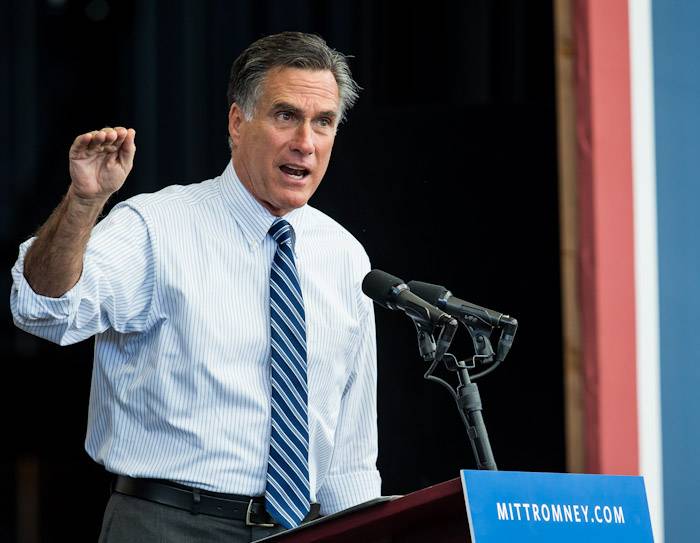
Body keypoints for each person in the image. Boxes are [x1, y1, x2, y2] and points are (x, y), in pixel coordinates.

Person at [10, 31, 380, 542]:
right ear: (237, 122)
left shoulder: (344, 255)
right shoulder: (154, 226)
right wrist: (83, 203)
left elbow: (351, 455)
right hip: (169, 524)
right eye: (285, 116)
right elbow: (43, 310)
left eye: (324, 122)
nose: (306, 142)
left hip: (303, 529)